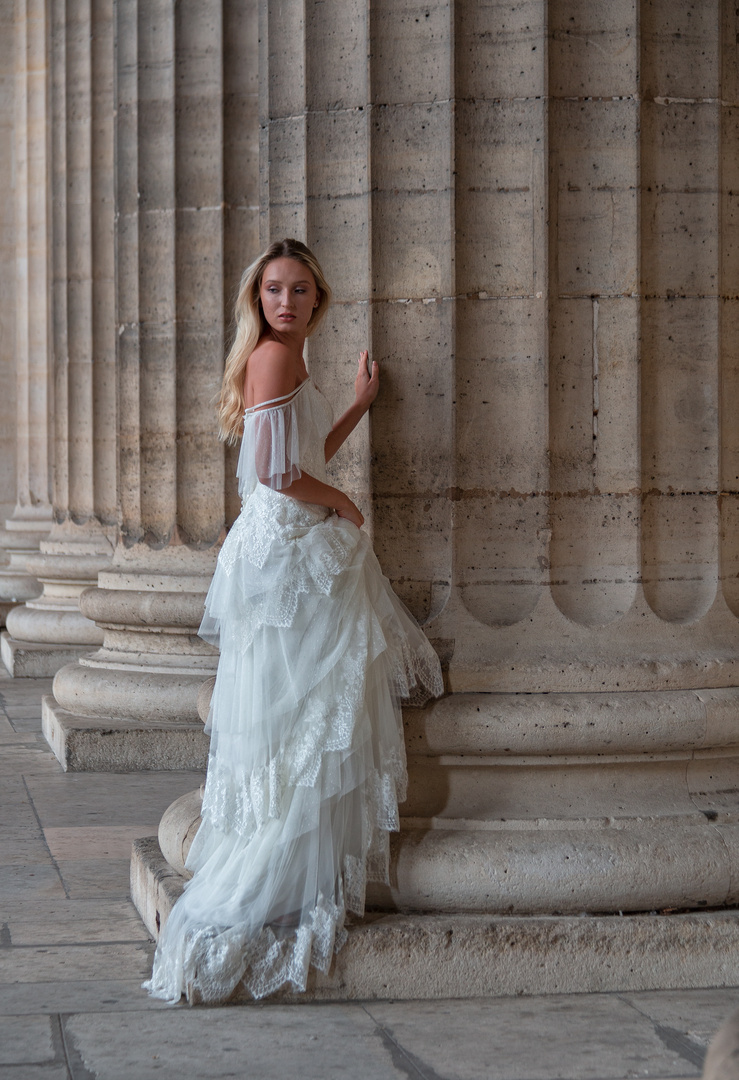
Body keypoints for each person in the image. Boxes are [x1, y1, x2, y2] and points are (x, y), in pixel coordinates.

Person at [144, 238, 444, 1004]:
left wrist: (354, 407)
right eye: (274, 289)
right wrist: (341, 504)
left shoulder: (289, 359)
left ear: (318, 299)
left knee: (305, 713)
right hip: (286, 549)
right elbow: (281, 475)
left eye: (299, 289)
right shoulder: (272, 358)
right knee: (304, 712)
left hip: (283, 536)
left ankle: (284, 863)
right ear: (259, 300)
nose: (285, 301)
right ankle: (272, 872)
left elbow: (301, 452)